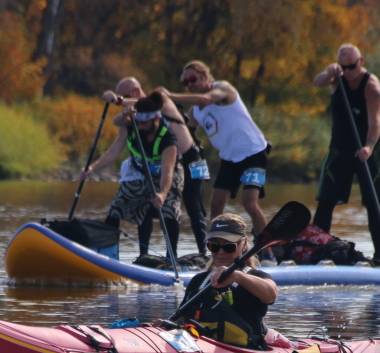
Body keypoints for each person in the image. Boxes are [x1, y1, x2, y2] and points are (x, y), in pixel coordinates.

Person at [160, 61, 274, 262]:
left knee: (249, 203)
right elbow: (185, 130)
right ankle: (218, 254)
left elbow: (206, 99)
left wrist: (170, 95)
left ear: (205, 77)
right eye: (186, 82)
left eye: (193, 79)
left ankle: (267, 254)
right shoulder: (195, 111)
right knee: (216, 204)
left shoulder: (223, 89)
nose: (190, 84)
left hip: (254, 152)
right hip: (230, 159)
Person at [102, 78, 210, 255]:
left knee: (193, 207)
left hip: (191, 159)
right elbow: (119, 124)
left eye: (126, 96)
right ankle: (143, 255)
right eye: (121, 96)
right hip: (166, 161)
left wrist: (117, 100)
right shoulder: (140, 114)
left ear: (136, 91)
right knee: (147, 203)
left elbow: (169, 171)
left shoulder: (160, 97)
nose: (123, 100)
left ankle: (204, 255)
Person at [311, 44, 380, 266]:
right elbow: (317, 82)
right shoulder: (336, 77)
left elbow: (374, 122)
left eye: (352, 66)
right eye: (344, 67)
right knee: (325, 200)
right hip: (340, 147)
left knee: (373, 202)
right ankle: (316, 250)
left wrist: (369, 148)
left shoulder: (371, 86)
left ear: (361, 61)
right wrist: (329, 73)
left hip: (367, 148)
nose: (348, 71)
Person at [80, 91, 184, 260]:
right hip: (140, 171)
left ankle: (171, 258)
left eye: (144, 123)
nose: (140, 126)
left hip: (167, 175)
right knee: (115, 210)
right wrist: (92, 168)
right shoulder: (132, 127)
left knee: (169, 210)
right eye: (138, 122)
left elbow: (168, 171)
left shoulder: (168, 139)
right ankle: (109, 255)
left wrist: (163, 194)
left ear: (156, 119)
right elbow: (113, 153)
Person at [176, 213, 277, 350]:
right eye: (214, 246)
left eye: (228, 246)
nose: (220, 252)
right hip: (201, 350)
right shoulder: (199, 281)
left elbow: (271, 295)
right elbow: (181, 319)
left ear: (244, 244)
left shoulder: (256, 276)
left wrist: (236, 276)